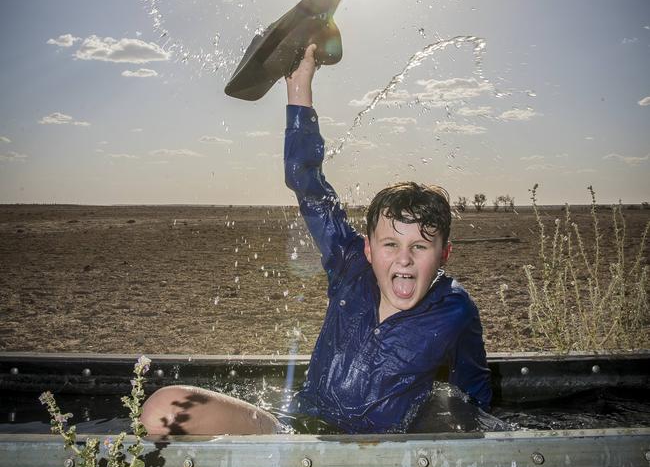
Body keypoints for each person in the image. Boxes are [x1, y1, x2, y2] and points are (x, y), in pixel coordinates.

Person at [141, 44, 491, 436]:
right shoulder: (349, 266)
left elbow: (472, 398)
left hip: (377, 457)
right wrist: (299, 86)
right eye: (390, 244)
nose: (404, 259)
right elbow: (309, 187)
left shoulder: (455, 310)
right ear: (369, 249)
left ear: (444, 255)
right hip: (294, 435)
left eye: (420, 247)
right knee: (163, 409)